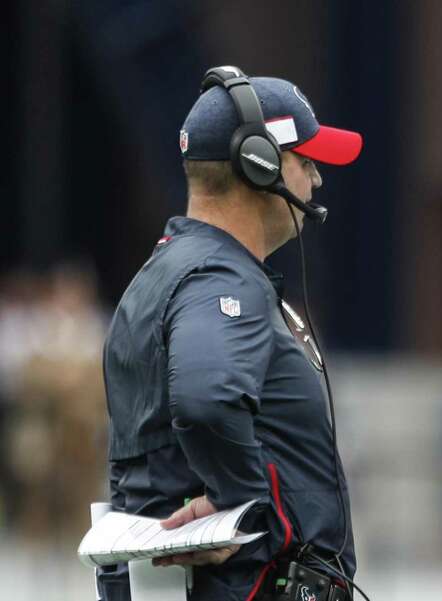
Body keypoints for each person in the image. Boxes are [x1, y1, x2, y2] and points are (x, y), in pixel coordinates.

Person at [99, 67, 363, 600]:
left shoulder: (171, 269)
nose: (317, 180)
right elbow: (206, 399)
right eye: (306, 161)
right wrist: (242, 506)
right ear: (259, 164)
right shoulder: (221, 278)